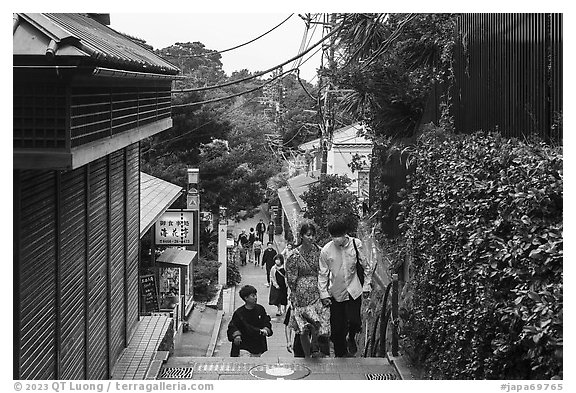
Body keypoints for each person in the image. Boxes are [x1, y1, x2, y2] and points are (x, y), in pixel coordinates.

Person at [319, 216, 372, 358]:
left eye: (339, 235)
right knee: (337, 329)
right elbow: (323, 274)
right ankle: (340, 355)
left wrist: (367, 285)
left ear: (345, 233)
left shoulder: (356, 244)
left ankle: (352, 336)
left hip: (354, 290)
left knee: (355, 321)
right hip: (335, 293)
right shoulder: (326, 251)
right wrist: (323, 294)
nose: (337, 239)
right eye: (334, 236)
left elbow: (366, 266)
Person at [286, 223, 330, 358]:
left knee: (318, 323)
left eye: (313, 235)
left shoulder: (320, 251)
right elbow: (291, 277)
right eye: (308, 235)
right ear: (302, 236)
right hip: (301, 293)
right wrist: (293, 294)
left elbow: (325, 271)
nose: (311, 238)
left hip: (318, 290)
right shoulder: (294, 255)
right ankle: (306, 354)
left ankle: (316, 349)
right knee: (303, 327)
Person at [227, 285, 273, 357]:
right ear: (246, 298)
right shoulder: (239, 313)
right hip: (243, 347)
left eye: (255, 295)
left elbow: (266, 321)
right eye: (253, 296)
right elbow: (232, 327)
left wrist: (266, 329)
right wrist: (236, 335)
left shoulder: (260, 309)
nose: (255, 297)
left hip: (257, 346)